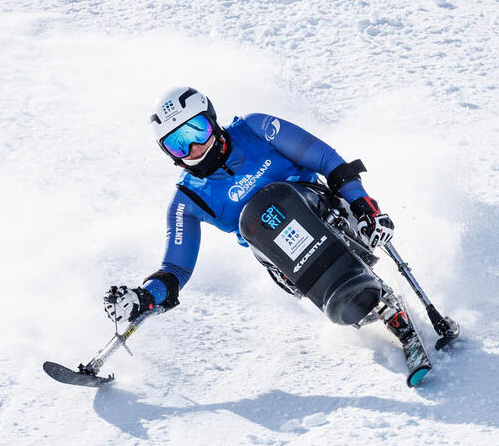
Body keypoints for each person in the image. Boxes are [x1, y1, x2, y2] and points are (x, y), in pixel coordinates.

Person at [103, 86, 435, 354]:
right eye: (177, 144)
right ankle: (372, 306)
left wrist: (365, 207)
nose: (192, 146)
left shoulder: (255, 129)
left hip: (328, 213)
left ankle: (365, 285)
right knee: (258, 221)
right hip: (284, 259)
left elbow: (326, 159)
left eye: (196, 130)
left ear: (212, 120)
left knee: (274, 202)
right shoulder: (187, 201)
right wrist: (145, 296)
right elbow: (175, 269)